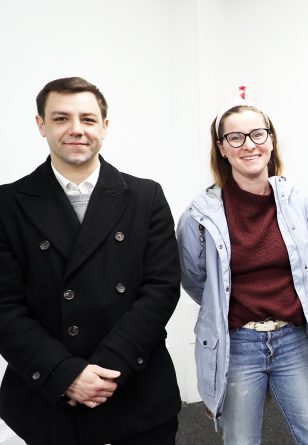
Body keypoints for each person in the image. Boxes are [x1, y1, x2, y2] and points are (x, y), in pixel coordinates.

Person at [0, 77, 181, 444]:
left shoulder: (145, 196)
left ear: (104, 126)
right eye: (61, 118)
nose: (76, 129)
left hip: (135, 388)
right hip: (49, 396)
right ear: (41, 125)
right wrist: (66, 374)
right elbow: (4, 306)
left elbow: (161, 290)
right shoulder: (7, 204)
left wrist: (108, 368)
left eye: (87, 119)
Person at [177, 92, 308, 444]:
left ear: (271, 140)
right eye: (235, 137)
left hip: (293, 339)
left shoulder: (296, 202)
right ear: (222, 148)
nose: (248, 145)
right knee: (241, 440)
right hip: (238, 344)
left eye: (257, 134)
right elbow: (196, 281)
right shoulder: (199, 216)